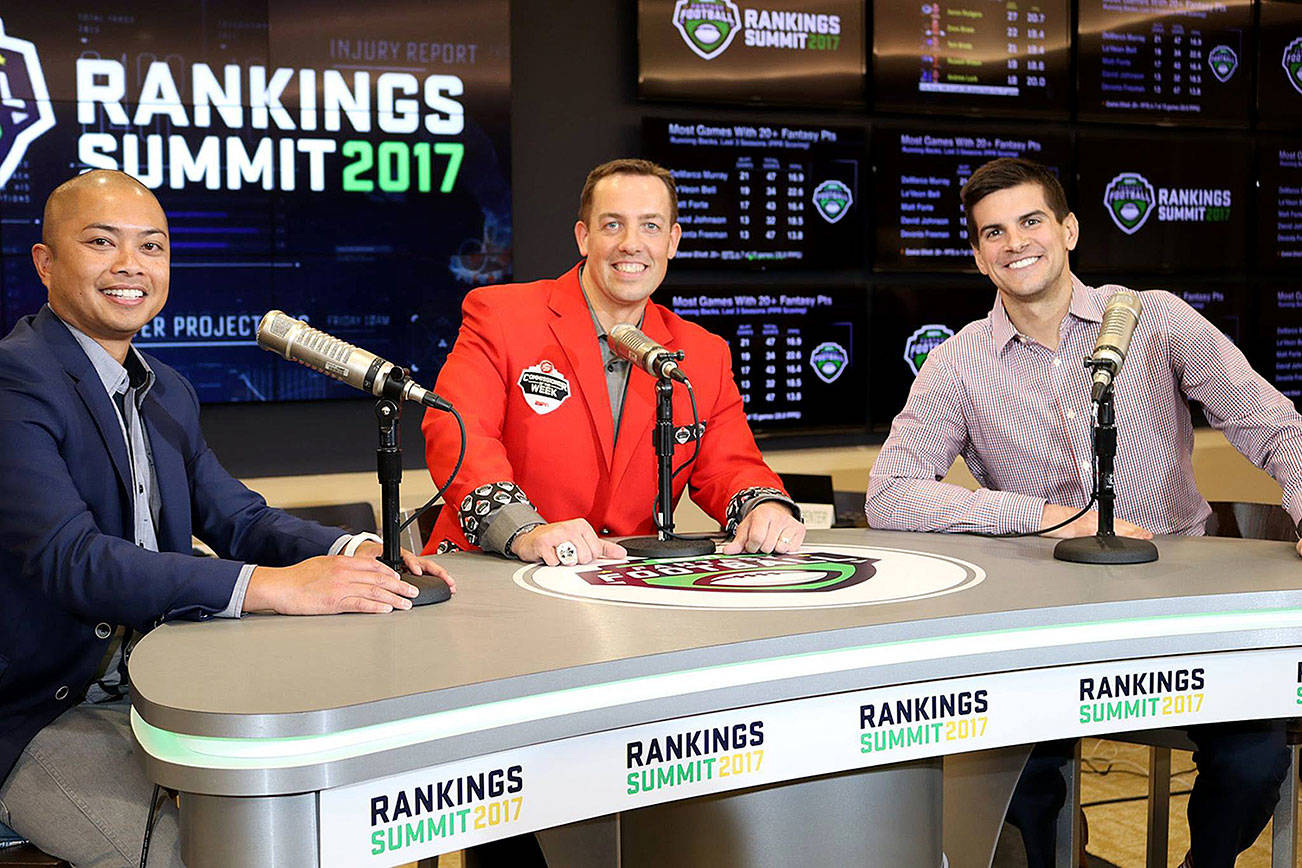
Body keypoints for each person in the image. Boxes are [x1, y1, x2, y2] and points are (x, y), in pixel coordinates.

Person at [0, 170, 455, 867]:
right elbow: (74, 561)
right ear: (45, 262)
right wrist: (276, 587)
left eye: (152, 246)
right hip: (44, 712)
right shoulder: (15, 380)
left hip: (169, 691)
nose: (131, 265)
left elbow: (238, 517)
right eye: (101, 242)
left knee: (324, 819)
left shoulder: (167, 389)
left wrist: (355, 551)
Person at [866, 157, 1302, 868]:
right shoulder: (957, 364)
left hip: (1179, 605)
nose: (1016, 243)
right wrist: (1051, 517)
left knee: (1254, 760)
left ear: (1068, 230)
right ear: (978, 256)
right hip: (1043, 615)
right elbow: (890, 492)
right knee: (1016, 775)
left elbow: (1273, 425)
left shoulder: (1153, 319)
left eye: (1031, 221)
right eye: (994, 233)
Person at [422, 158, 804, 564]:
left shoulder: (703, 352)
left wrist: (764, 508)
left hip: (624, 579)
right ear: (584, 237)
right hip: (498, 568)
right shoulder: (501, 315)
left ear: (672, 241)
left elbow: (730, 466)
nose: (631, 244)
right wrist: (524, 530)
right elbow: (458, 432)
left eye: (650, 226)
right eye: (612, 225)